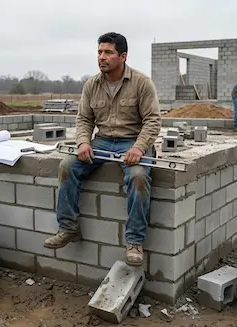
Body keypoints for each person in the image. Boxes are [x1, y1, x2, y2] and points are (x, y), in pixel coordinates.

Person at [43, 32, 162, 267]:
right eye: (99, 52)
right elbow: (84, 119)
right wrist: (83, 143)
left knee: (138, 177)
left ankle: (134, 242)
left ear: (123, 56)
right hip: (102, 141)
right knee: (67, 166)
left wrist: (139, 148)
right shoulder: (92, 84)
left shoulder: (141, 82)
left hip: (133, 140)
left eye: (108, 52)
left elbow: (153, 121)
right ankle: (68, 228)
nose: (102, 57)